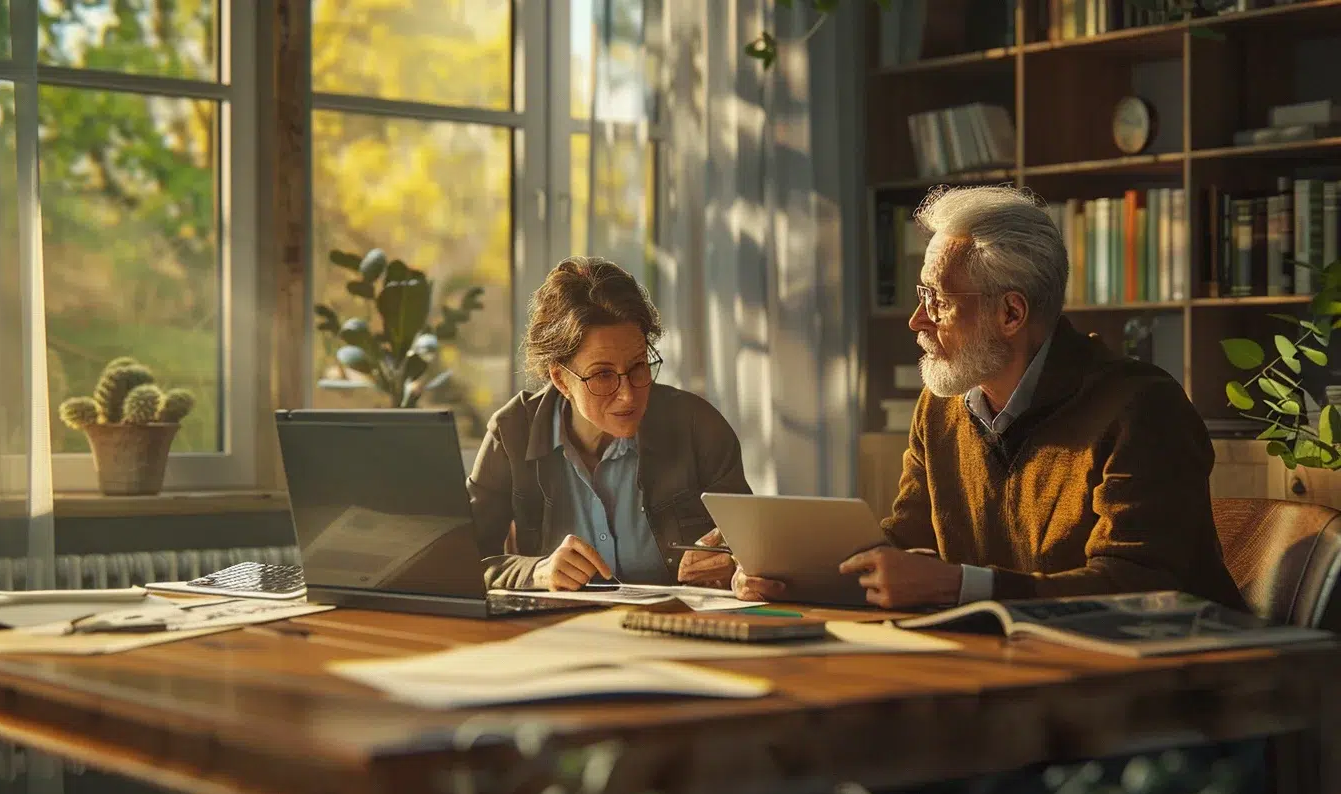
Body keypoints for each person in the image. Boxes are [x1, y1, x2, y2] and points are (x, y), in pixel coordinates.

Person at [736, 184, 1246, 612]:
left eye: (936, 301)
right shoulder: (941, 406)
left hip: (1180, 690)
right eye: (920, 297)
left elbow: (1139, 587)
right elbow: (910, 539)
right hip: (1019, 670)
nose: (917, 321)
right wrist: (790, 571)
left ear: (1011, 315)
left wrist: (958, 587)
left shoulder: (1142, 408)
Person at [469, 256, 750, 591]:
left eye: (638, 367)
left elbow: (754, 558)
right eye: (603, 375)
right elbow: (464, 561)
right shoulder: (511, 433)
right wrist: (538, 572)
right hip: (557, 636)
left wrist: (733, 569)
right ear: (560, 378)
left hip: (679, 632)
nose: (628, 396)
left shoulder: (698, 426)